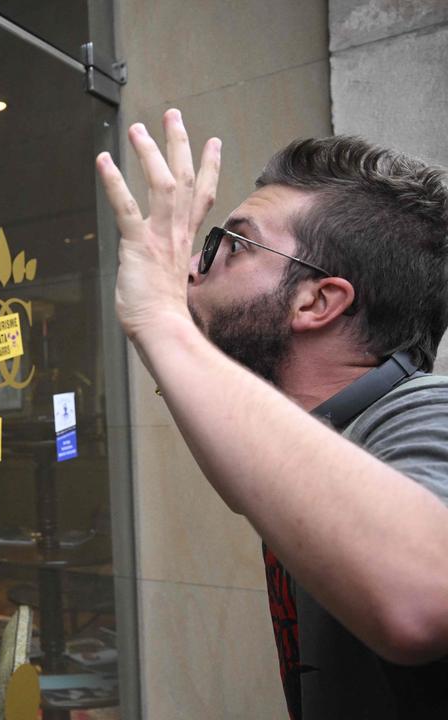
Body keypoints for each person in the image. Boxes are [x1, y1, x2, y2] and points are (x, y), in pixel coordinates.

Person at [96, 109, 448, 718]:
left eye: (229, 245)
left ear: (318, 301)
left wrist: (160, 315)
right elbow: (243, 479)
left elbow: (420, 600)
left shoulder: (425, 413)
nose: (189, 271)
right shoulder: (329, 433)